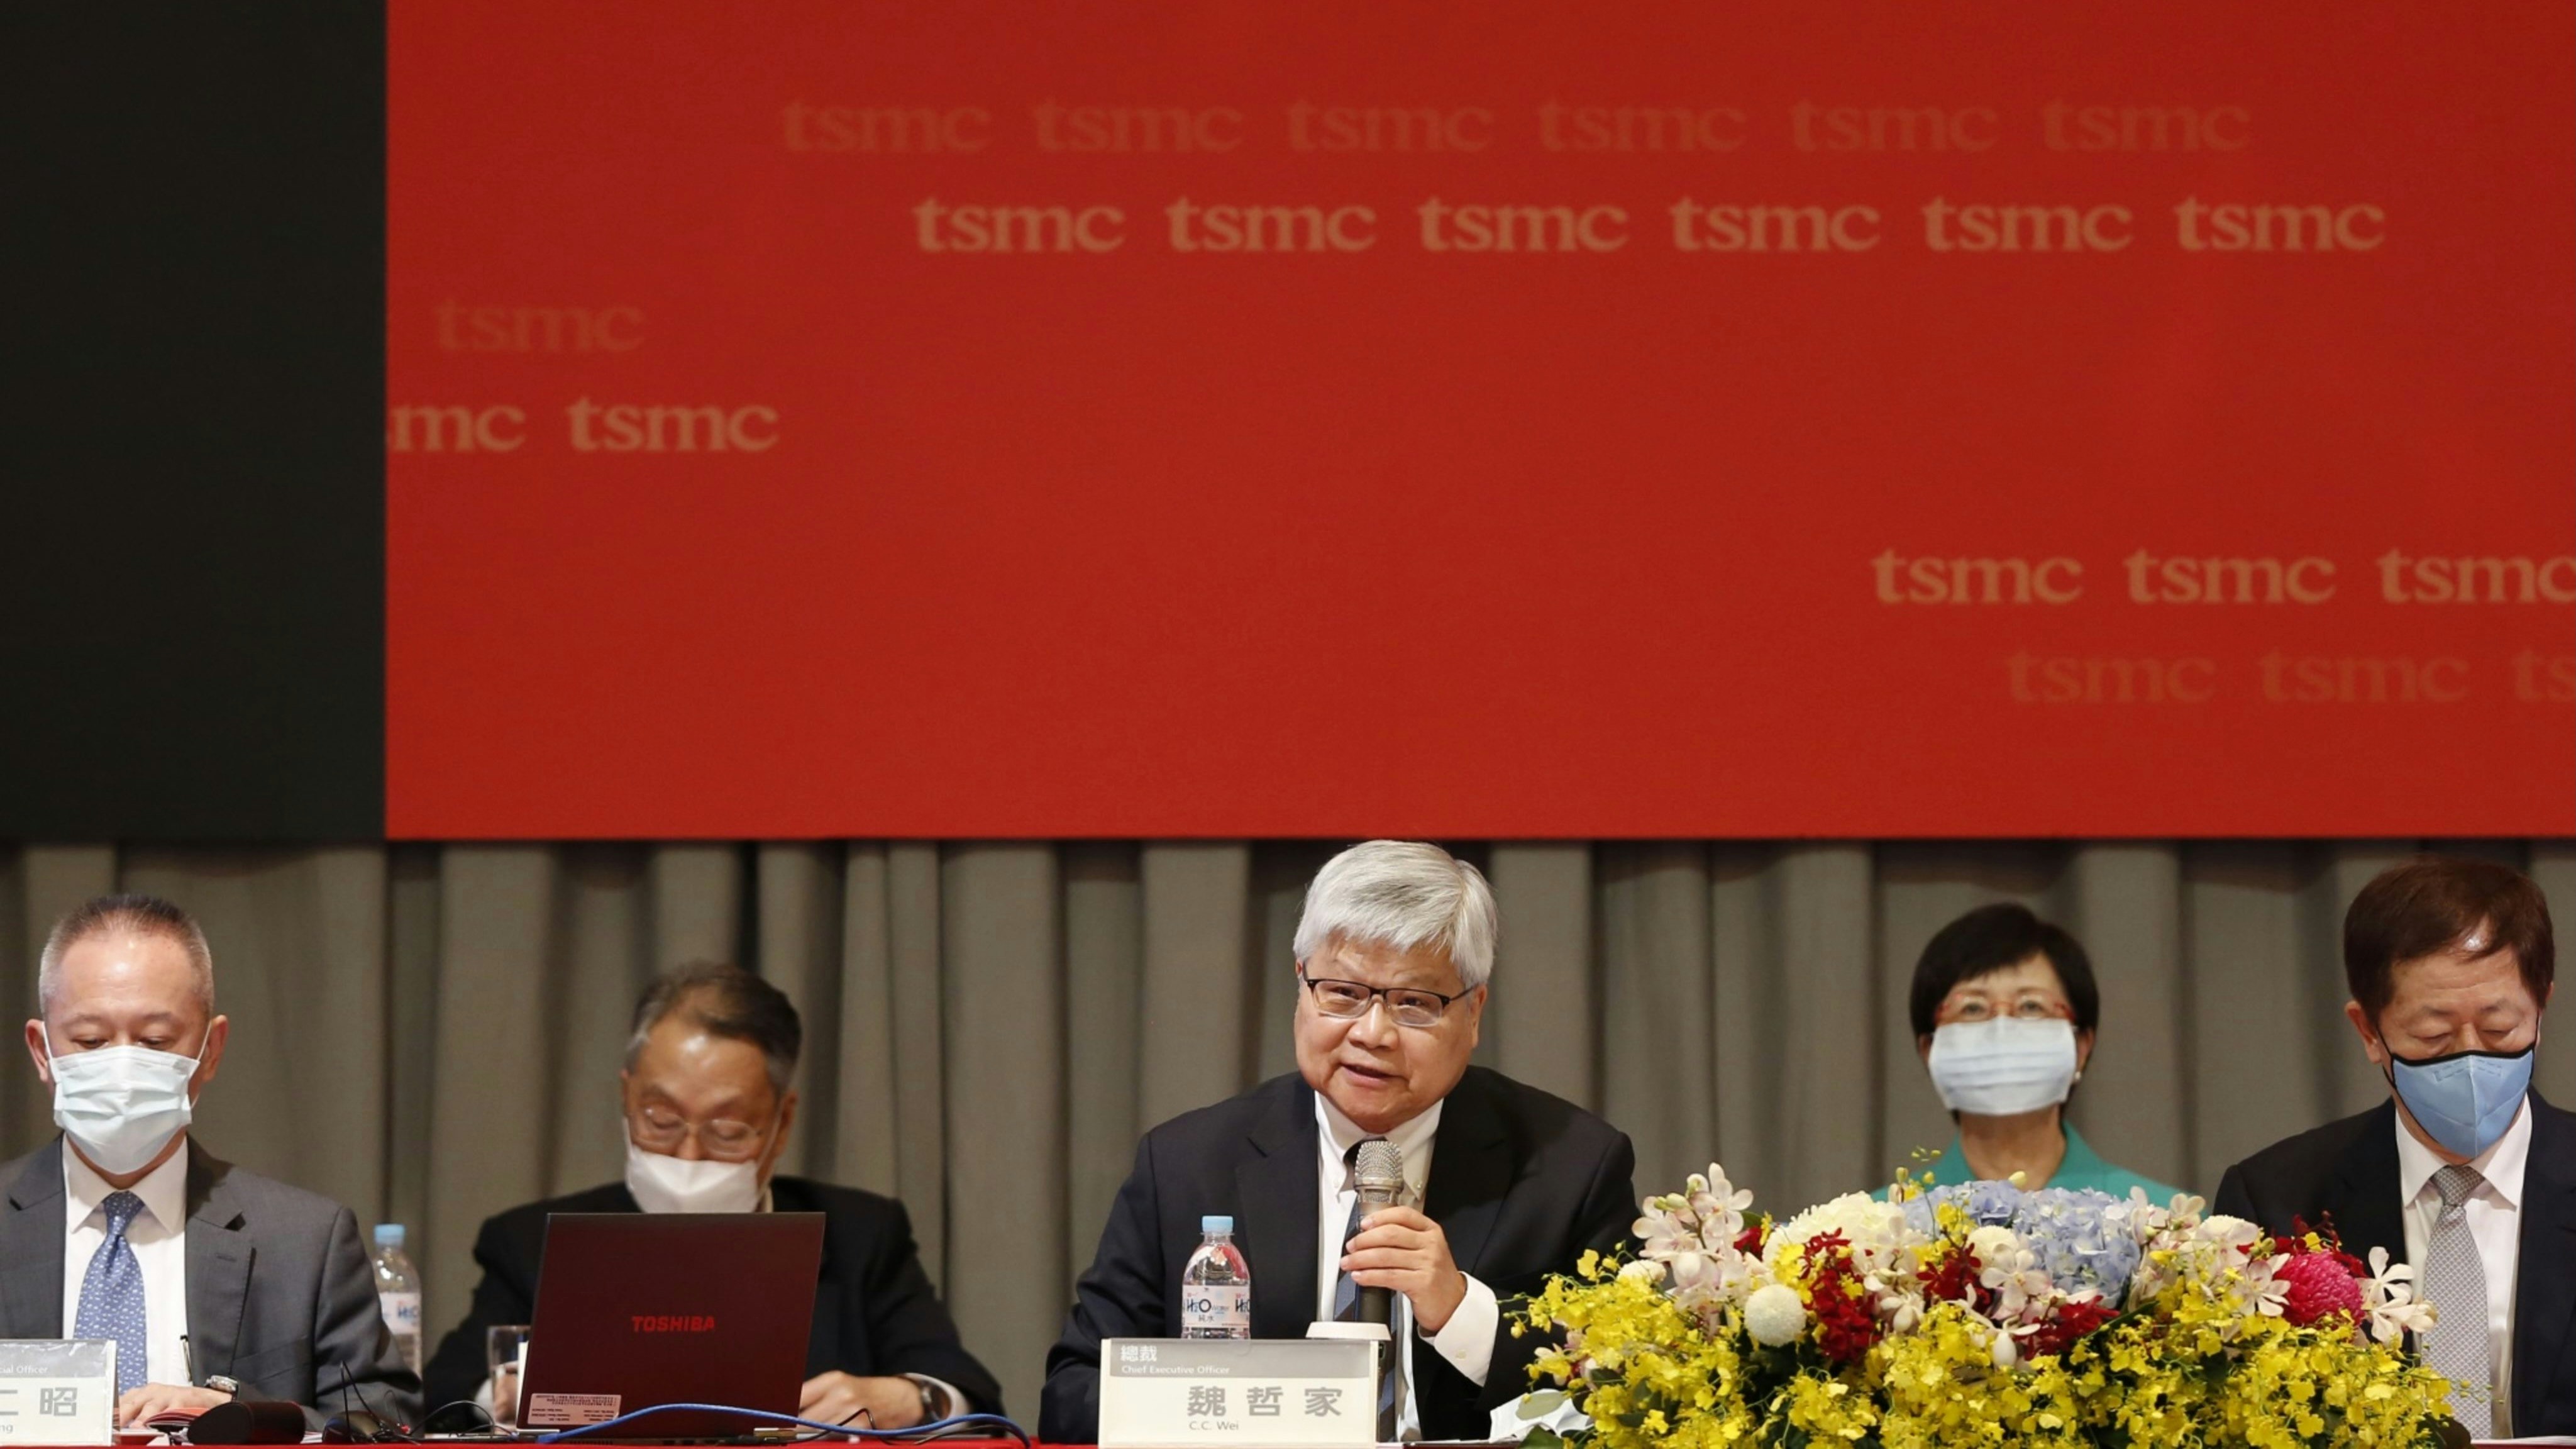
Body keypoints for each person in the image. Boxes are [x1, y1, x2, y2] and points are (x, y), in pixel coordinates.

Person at [1041, 841, 1637, 1443]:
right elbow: (1074, 1392)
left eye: (1414, 1003)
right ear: (1300, 986)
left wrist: (1462, 1313)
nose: (1372, 1034)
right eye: (1344, 994)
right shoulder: (1187, 1163)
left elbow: (1627, 1392)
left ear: (1474, 1012)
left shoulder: (1571, 1167)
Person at [423, 963, 1001, 1426]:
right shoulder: (533, 1240)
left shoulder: (861, 1234)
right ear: (626, 1097)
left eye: (727, 1131)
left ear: (782, 1123)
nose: (689, 1154)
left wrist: (909, 1398)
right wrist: (503, 1393)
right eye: (660, 1120)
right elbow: (443, 1393)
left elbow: (965, 1390)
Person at [0, 894, 419, 1428]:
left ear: (211, 1049)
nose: (123, 1066)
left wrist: (243, 1416)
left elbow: (385, 1423)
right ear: (42, 1052)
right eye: (91, 1040)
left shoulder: (305, 1241)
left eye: (155, 1041)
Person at [2216, 856, 2572, 1436]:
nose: (2469, 1058)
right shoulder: (2276, 1198)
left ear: (2540, 1010)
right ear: (2368, 1032)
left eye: (2499, 1028)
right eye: (2432, 1035)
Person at [1906, 903, 2183, 1199]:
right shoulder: (1882, 1220)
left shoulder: (2164, 1217)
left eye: (2031, 1006)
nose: (2002, 1029)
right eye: (1973, 1008)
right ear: (1929, 1049)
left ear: (2081, 1047)